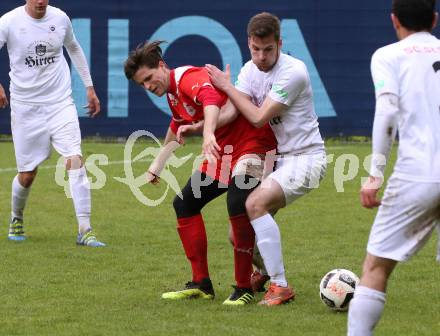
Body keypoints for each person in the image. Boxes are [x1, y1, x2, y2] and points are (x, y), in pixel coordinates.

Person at [124, 40, 277, 305]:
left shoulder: (187, 77)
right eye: (142, 84)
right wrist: (158, 164)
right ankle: (201, 283)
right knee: (184, 204)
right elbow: (177, 124)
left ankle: (244, 287)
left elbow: (210, 99)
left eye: (149, 78)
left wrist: (207, 133)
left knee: (237, 202)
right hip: (224, 153)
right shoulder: (172, 93)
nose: (148, 86)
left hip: (253, 145)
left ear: (162, 66)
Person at [206, 12, 327, 305]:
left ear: (280, 43)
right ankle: (261, 272)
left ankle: (280, 286)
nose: (261, 56)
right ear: (248, 43)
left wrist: (226, 86)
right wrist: (203, 127)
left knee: (254, 204)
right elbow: (233, 111)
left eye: (268, 49)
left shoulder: (293, 71)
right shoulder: (249, 69)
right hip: (280, 159)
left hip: (306, 158)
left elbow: (258, 118)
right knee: (239, 235)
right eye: (255, 49)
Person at [347, 0, 440, 334]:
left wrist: (374, 175)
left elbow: (387, 112)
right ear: (434, 18)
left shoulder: (388, 55)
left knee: (376, 267)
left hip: (418, 174)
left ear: (394, 20)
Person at [0, 0, 105, 247]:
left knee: (75, 159)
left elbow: (74, 48)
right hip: (26, 108)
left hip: (60, 103)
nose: (41, 1)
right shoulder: (9, 22)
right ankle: (17, 217)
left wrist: (89, 87)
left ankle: (85, 229)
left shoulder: (60, 18)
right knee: (27, 175)